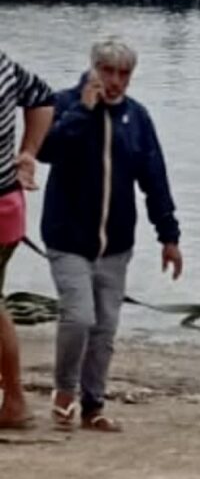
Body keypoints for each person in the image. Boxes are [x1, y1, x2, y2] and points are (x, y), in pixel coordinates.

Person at [38, 37, 183, 432]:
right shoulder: (65, 104)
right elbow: (46, 150)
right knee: (79, 317)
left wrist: (169, 237)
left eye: (124, 74)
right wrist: (84, 111)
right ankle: (64, 391)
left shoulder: (137, 118)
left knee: (104, 328)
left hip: (116, 244)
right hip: (67, 238)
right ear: (93, 68)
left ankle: (93, 405)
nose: (115, 81)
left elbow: (155, 179)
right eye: (108, 71)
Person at [0, 51, 54, 430]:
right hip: (8, 204)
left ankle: (16, 401)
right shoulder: (3, 64)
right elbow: (41, 96)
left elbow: (41, 97)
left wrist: (29, 153)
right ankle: (15, 400)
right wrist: (28, 153)